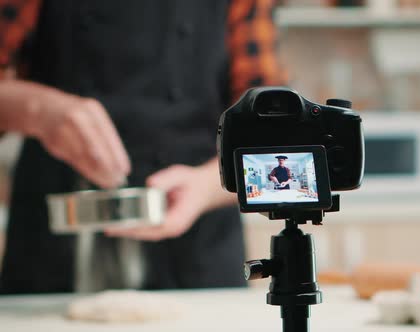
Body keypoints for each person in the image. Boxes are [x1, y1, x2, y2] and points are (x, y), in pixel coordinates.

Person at [0, 0, 284, 294]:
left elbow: (272, 134)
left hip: (198, 254)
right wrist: (34, 109)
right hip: (51, 246)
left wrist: (207, 187)